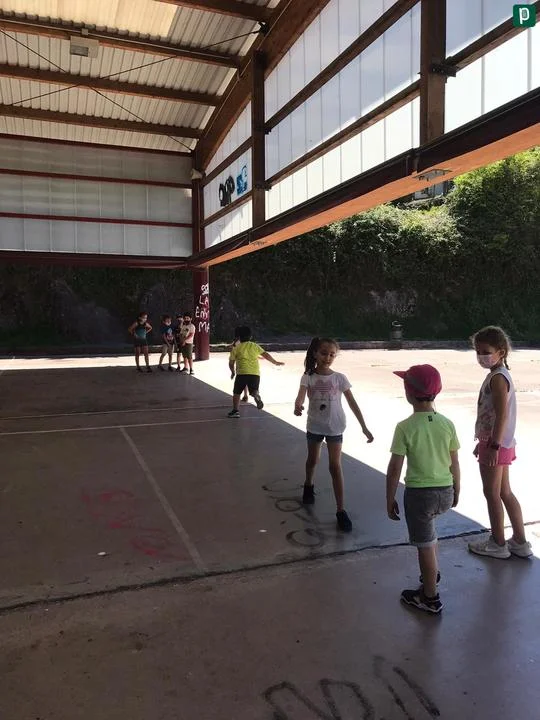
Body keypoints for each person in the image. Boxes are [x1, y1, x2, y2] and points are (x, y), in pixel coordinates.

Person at [386, 364, 460, 614]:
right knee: (430, 535)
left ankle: (430, 598)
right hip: (445, 491)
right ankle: (432, 574)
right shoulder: (447, 424)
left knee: (424, 544)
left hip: (420, 496)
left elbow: (395, 467)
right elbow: (455, 462)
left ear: (409, 393)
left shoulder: (405, 427)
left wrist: (389, 497)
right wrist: (457, 488)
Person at [294, 337, 374, 533]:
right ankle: (308, 484)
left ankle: (340, 510)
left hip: (335, 427)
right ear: (315, 353)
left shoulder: (340, 378)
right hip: (315, 425)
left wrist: (364, 426)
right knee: (312, 460)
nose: (327, 358)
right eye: (324, 353)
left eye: (332, 355)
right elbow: (301, 395)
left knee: (335, 466)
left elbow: (352, 403)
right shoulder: (308, 376)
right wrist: (298, 405)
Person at [467, 326, 532, 559]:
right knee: (504, 492)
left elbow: (501, 415)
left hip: (496, 444)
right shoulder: (500, 374)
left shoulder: (497, 379)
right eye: (478, 351)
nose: (481, 356)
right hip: (502, 442)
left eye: (486, 351)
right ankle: (520, 541)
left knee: (491, 493)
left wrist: (493, 445)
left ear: (501, 352)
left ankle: (497, 543)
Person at [228, 326, 283, 418]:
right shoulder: (255, 346)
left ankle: (235, 411)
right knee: (254, 390)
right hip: (255, 374)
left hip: (241, 374)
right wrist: (275, 362)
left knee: (237, 392)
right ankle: (256, 395)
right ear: (250, 337)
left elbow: (231, 363)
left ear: (239, 337)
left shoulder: (236, 348)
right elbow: (265, 354)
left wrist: (233, 372)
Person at [232, 326, 249, 403]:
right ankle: (247, 394)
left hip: (240, 365)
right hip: (249, 365)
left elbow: (233, 356)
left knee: (240, 384)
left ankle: (244, 396)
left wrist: (232, 371)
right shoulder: (248, 343)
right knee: (247, 380)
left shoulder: (236, 344)